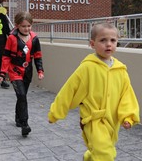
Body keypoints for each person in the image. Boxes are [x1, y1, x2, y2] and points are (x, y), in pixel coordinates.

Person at [48, 23, 140, 161]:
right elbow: (69, 90)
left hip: (112, 121)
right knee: (105, 154)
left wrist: (128, 117)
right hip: (93, 120)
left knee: (106, 150)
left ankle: (89, 157)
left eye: (113, 40)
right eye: (103, 40)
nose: (108, 44)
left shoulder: (121, 71)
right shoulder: (87, 68)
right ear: (92, 44)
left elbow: (126, 95)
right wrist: (55, 113)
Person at [0, 11, 44, 137]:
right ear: (17, 25)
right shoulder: (12, 38)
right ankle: (25, 124)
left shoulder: (35, 39)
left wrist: (40, 70)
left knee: (21, 97)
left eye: (29, 26)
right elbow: (6, 57)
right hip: (15, 71)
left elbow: (38, 56)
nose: (26, 28)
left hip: (27, 71)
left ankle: (18, 118)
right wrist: (2, 73)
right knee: (22, 95)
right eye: (23, 26)